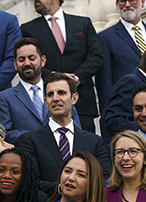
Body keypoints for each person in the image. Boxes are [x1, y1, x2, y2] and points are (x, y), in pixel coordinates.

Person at [20, 73, 110, 195]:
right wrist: (66, 188)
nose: (55, 98)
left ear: (74, 98)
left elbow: (105, 179)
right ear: (46, 102)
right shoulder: (30, 140)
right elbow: (31, 182)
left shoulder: (94, 142)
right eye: (50, 94)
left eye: (61, 93)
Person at [20, 0, 103, 132]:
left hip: (82, 100)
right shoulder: (27, 29)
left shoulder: (83, 23)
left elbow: (96, 57)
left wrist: (76, 77)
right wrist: (55, 77)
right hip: (50, 105)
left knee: (87, 149)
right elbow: (29, 63)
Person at [0, 37, 82, 146]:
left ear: (43, 61)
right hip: (25, 158)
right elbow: (4, 135)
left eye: (32, 58)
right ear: (15, 64)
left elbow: (76, 130)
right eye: (21, 59)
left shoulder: (61, 93)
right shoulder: (4, 98)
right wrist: (45, 134)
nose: (27, 63)